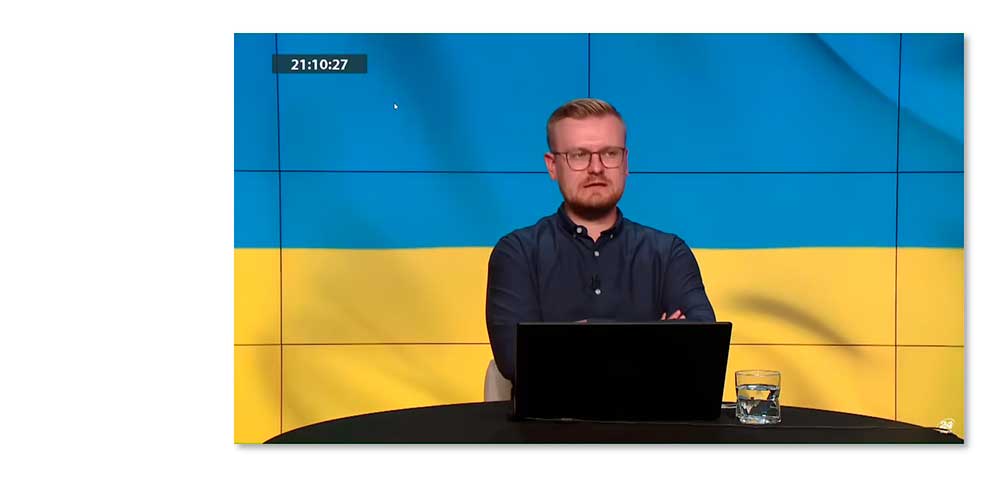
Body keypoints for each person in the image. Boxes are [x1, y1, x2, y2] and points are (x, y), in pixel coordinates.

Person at [485, 98, 716, 383]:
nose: (596, 168)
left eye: (609, 153)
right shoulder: (517, 252)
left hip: (653, 412)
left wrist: (566, 339)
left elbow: (701, 345)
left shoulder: (668, 253)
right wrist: (654, 336)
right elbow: (516, 359)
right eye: (579, 155)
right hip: (549, 413)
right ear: (552, 166)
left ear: (625, 162)